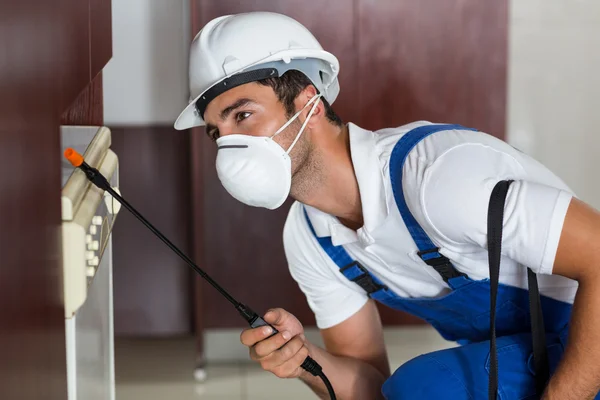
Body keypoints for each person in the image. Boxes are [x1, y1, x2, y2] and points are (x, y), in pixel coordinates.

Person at [175, 11, 600, 400]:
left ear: (309, 102)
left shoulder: (437, 177)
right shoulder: (310, 238)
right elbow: (372, 389)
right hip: (533, 352)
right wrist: (304, 362)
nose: (230, 146)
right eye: (217, 132)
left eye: (242, 116)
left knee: (425, 388)